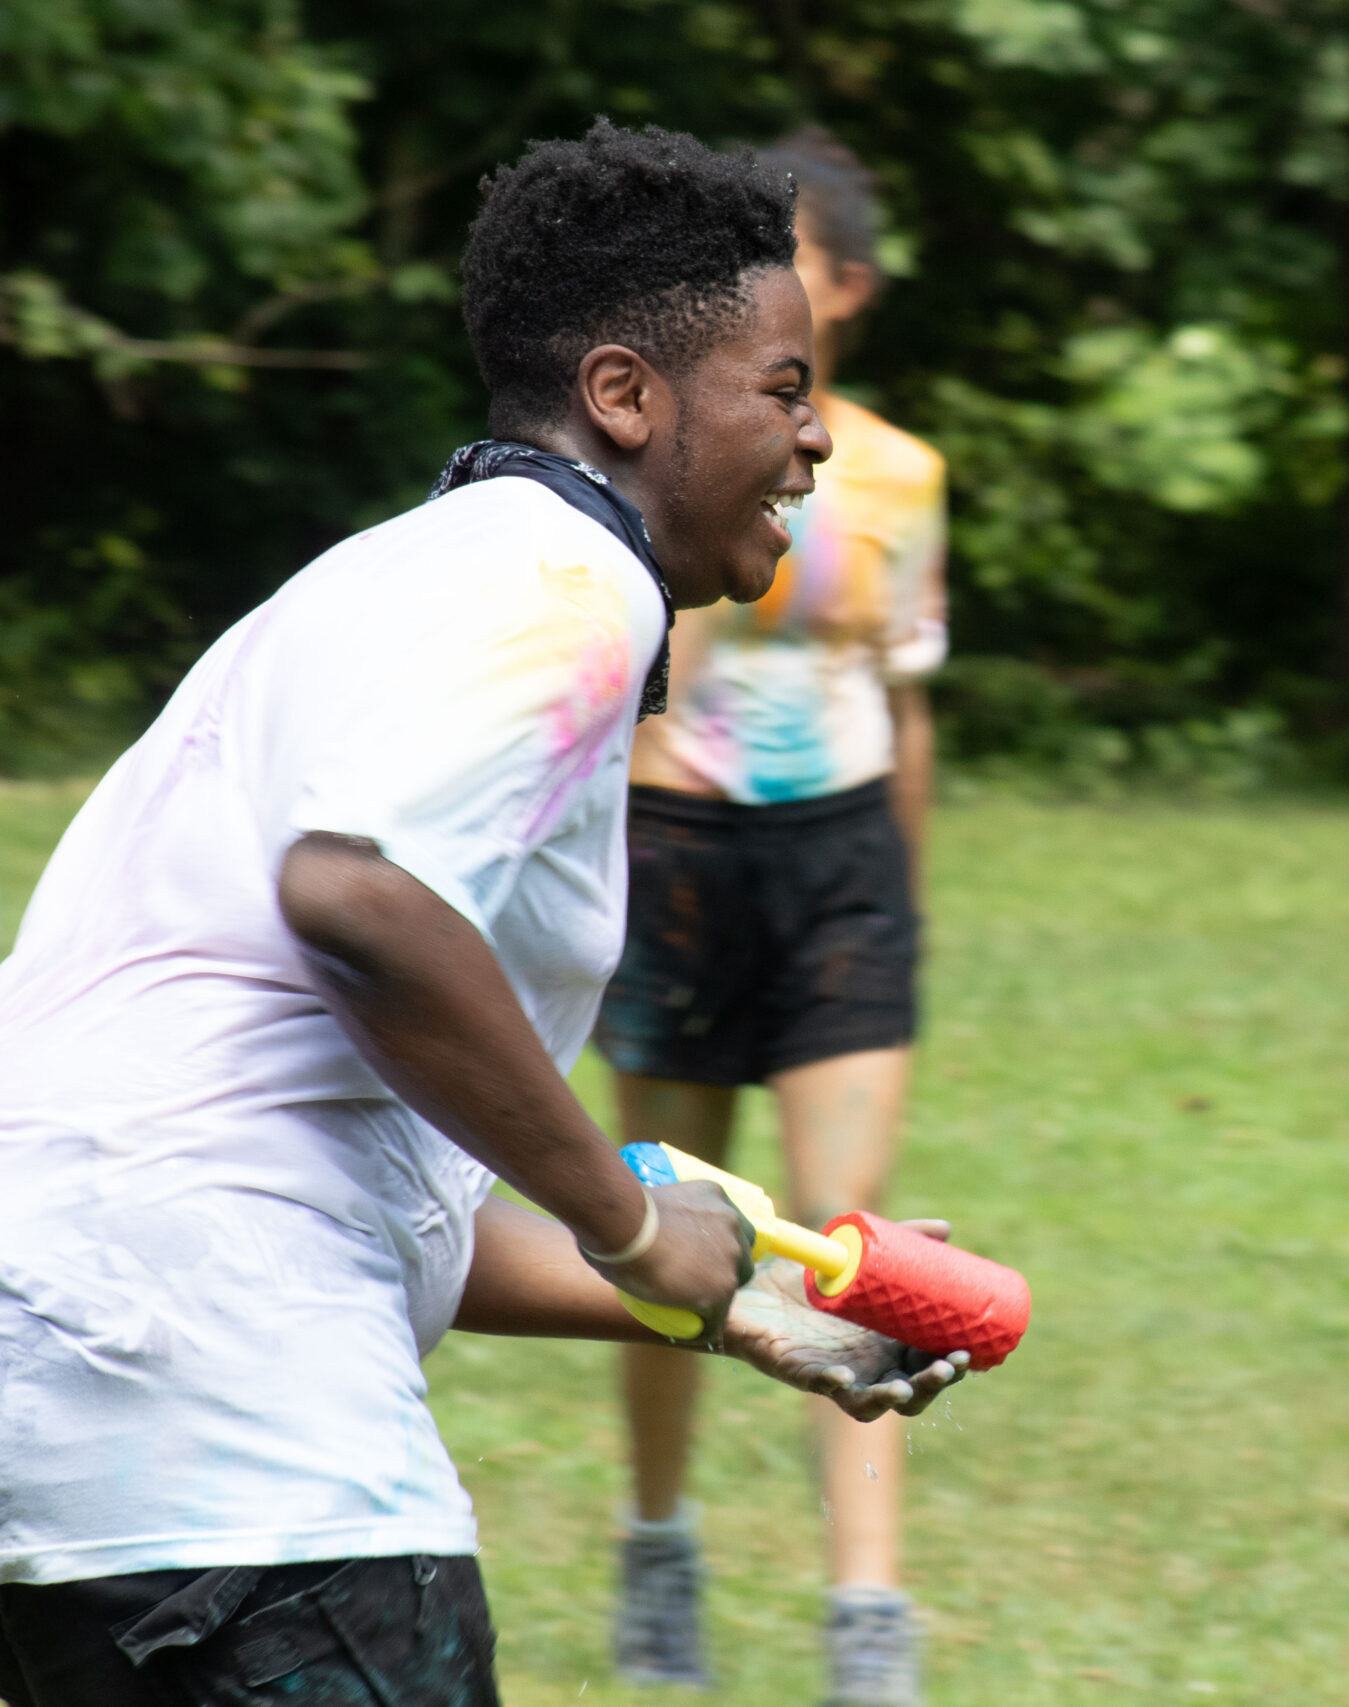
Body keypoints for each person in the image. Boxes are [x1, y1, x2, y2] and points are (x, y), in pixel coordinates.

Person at [0, 120, 966, 1707]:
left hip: (86, 1358)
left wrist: (741, 1302)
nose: (816, 446)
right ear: (625, 395)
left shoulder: (411, 577)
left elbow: (348, 1181)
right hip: (226, 1402)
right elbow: (359, 900)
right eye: (782, 393)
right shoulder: (567, 591)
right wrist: (634, 1217)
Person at [592, 127, 949, 1703]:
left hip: (842, 868)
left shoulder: (907, 478)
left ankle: (866, 1614)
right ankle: (657, 1543)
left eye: (782, 250)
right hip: (672, 851)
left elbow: (909, 701)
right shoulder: (657, 446)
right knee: (656, 1228)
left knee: (848, 1245)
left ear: (852, 289)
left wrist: (902, 897)